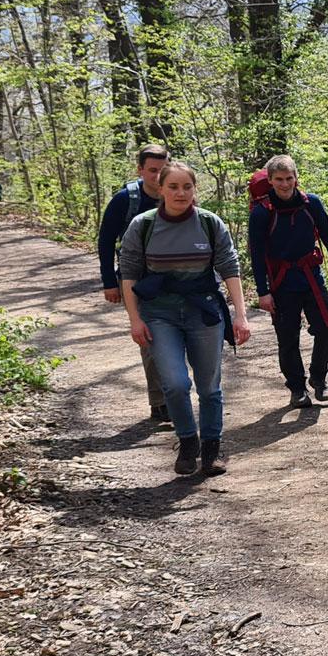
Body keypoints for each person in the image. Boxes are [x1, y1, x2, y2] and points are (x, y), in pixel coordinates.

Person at [117, 160, 251, 476]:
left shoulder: (209, 223)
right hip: (159, 313)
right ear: (160, 189)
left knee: (209, 387)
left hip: (203, 311)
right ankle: (188, 440)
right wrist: (134, 319)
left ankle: (212, 449)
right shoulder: (143, 225)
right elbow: (129, 274)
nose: (181, 193)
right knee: (175, 384)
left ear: (195, 189)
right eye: (173, 187)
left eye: (187, 187)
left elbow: (230, 269)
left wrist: (241, 315)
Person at [248, 154, 328, 407]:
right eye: (279, 179)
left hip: (311, 277)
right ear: (270, 180)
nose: (284, 184)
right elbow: (257, 254)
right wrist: (263, 291)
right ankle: (297, 388)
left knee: (325, 329)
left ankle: (319, 379)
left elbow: (327, 234)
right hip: (281, 283)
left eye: (289, 178)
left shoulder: (311, 203)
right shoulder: (261, 213)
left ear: (296, 178)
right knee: (288, 336)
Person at [98, 145, 171, 422]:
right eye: (152, 170)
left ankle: (174, 394)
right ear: (140, 170)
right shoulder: (125, 200)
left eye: (162, 169)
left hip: (175, 278)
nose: (157, 175)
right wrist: (109, 282)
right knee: (149, 338)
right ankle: (160, 401)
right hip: (137, 280)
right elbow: (106, 242)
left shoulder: (177, 192)